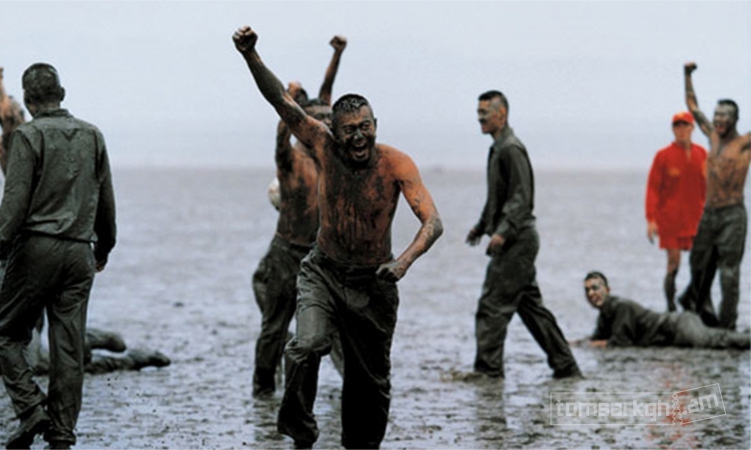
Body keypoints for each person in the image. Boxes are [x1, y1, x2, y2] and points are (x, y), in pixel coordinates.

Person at [234, 26, 443, 449]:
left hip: (374, 281)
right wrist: (250, 54)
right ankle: (300, 428)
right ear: (337, 132)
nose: (358, 136)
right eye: (349, 130)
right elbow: (282, 102)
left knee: (371, 382)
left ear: (376, 125)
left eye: (365, 127)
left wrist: (402, 262)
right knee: (306, 344)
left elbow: (432, 222)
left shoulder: (396, 164)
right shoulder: (323, 147)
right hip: (324, 272)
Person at [0, 63, 117, 450]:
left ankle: (30, 409)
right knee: (69, 349)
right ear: (63, 93)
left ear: (28, 100)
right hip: (79, 253)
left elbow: (15, 201)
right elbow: (106, 199)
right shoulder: (93, 135)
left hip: (36, 249)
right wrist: (104, 247)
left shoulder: (27, 136)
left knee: (6, 332)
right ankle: (61, 434)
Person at [251, 36, 347, 399]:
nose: (324, 126)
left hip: (321, 256)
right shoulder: (291, 159)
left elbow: (326, 95)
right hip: (287, 252)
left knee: (336, 327)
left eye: (328, 121)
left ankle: (353, 386)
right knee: (274, 326)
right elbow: (283, 123)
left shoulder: (329, 158)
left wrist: (336, 54)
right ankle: (263, 389)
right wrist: (288, 99)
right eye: (317, 121)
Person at [466, 91, 581, 380]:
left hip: (518, 241)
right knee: (530, 308)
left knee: (492, 305)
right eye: (478, 112)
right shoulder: (497, 148)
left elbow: (521, 197)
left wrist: (502, 233)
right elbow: (497, 198)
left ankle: (488, 372)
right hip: (516, 239)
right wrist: (481, 226)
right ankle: (566, 366)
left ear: (501, 114)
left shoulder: (511, 149)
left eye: (484, 113)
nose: (479, 118)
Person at [677, 62, 751, 330]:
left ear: (735, 119)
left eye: (724, 116)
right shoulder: (712, 136)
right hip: (710, 213)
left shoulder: (744, 144)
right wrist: (687, 75)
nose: (719, 120)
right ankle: (699, 311)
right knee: (698, 262)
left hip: (732, 214)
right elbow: (693, 106)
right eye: (717, 115)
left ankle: (727, 325)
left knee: (728, 273)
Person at [0, 315, 170, 377]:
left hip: (19, 341)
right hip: (14, 350)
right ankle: (134, 360)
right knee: (69, 368)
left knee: (41, 367)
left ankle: (86, 339)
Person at [581, 271, 748, 349]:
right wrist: (575, 344)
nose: (591, 294)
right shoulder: (605, 315)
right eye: (587, 290)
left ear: (607, 290)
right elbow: (597, 338)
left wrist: (588, 346)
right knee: (716, 337)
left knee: (714, 340)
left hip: (678, 325)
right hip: (675, 332)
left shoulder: (621, 306)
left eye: (595, 288)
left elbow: (619, 343)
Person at [645, 111, 708, 312]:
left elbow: (710, 187)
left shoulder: (702, 154)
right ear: (673, 129)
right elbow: (653, 188)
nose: (681, 130)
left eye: (685, 126)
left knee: (701, 263)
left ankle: (694, 303)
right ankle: (670, 307)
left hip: (697, 218)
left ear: (692, 128)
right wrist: (651, 219)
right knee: (673, 263)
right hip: (670, 220)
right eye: (677, 126)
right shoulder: (663, 156)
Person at [0, 67, 27, 175]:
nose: (21, 117)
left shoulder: (26, 135)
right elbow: (6, 113)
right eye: (18, 113)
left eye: (21, 112)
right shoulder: (7, 140)